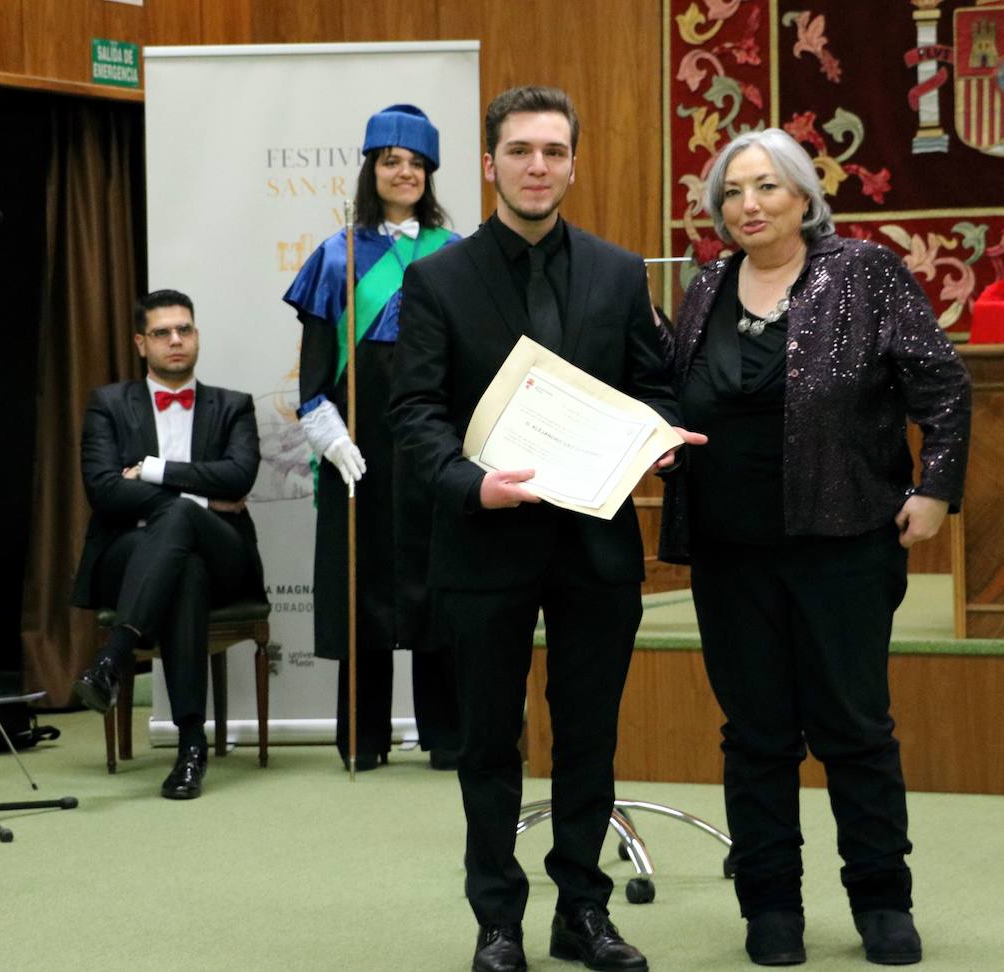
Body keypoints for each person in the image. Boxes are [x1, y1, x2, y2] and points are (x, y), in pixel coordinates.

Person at [390, 85, 702, 972]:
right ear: (490, 164)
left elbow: (657, 387)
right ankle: (497, 922)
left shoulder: (616, 271)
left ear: (573, 163)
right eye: (520, 151)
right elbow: (413, 414)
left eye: (553, 152)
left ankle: (583, 914)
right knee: (488, 742)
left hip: (595, 547)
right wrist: (469, 484)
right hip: (483, 542)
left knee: (588, 739)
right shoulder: (436, 279)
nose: (537, 167)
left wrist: (661, 441)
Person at [658, 129, 971, 967]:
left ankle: (881, 902)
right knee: (755, 734)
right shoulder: (708, 285)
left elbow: (940, 381)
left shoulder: (862, 272)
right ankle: (770, 909)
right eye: (731, 192)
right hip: (731, 551)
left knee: (853, 729)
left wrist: (936, 487)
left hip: (845, 542)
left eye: (765, 187)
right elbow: (676, 393)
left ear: (803, 196)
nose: (747, 205)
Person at [283, 104, 461, 773]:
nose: (404, 172)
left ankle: (449, 734)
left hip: (435, 438)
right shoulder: (336, 255)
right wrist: (329, 435)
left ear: (430, 174)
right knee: (362, 586)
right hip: (357, 446)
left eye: (416, 164)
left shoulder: (455, 254)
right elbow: (313, 367)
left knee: (440, 580)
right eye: (392, 162)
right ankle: (363, 737)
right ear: (372, 170)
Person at [72, 289, 265, 800]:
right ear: (142, 343)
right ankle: (190, 749)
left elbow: (240, 475)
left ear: (196, 335)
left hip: (225, 554)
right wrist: (200, 499)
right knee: (185, 571)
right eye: (162, 332)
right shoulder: (108, 406)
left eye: (185, 329)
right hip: (128, 553)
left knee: (184, 528)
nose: (175, 340)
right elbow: (104, 489)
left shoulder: (233, 406)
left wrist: (156, 473)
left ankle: (115, 657)